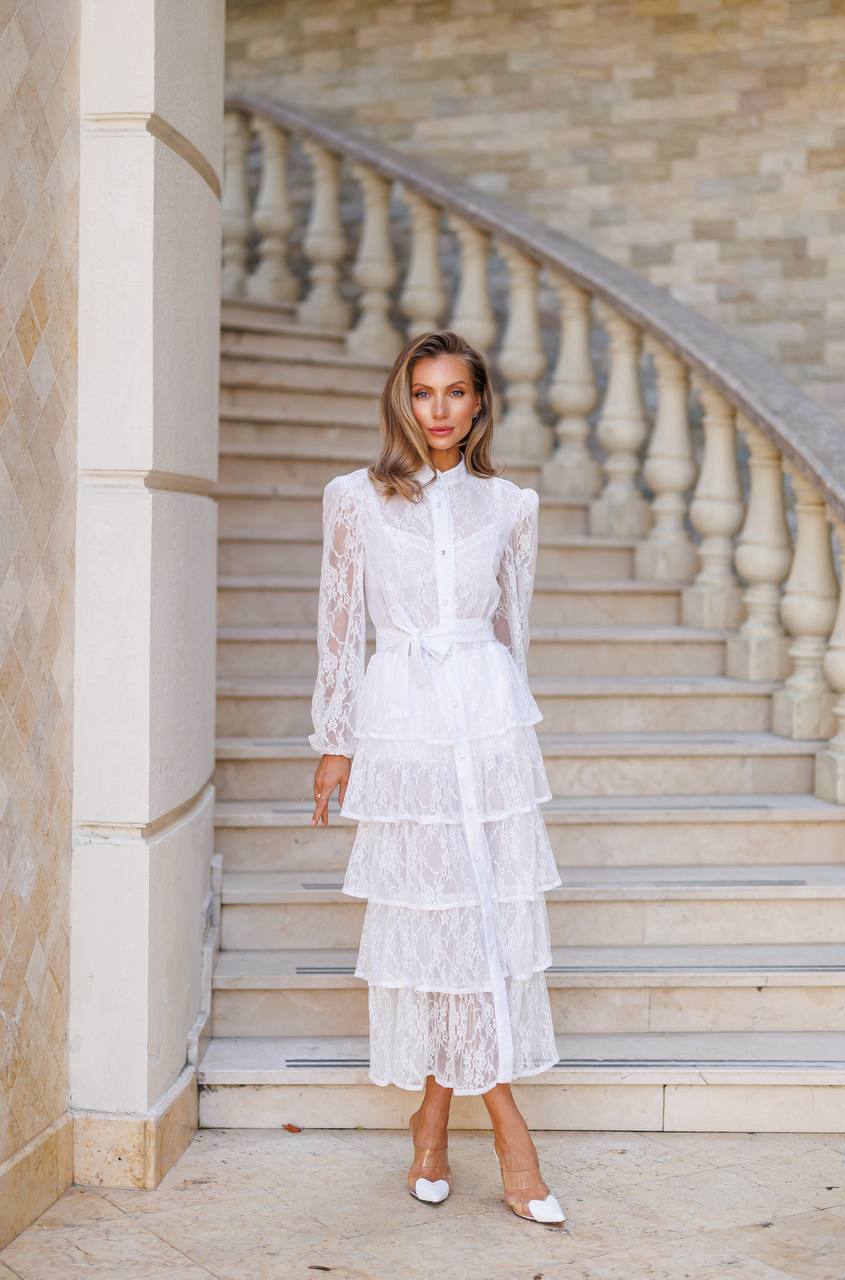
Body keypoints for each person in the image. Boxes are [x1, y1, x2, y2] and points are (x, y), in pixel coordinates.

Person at [308, 329, 566, 1227]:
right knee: (440, 923)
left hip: (486, 728)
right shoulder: (356, 499)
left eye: (455, 392)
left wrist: (510, 742)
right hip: (405, 728)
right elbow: (340, 624)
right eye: (423, 393)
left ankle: (430, 1123)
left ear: (479, 401)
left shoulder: (510, 506)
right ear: (403, 401)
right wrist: (335, 740)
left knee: (479, 924)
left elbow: (511, 634)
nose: (439, 409)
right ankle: (510, 1138)